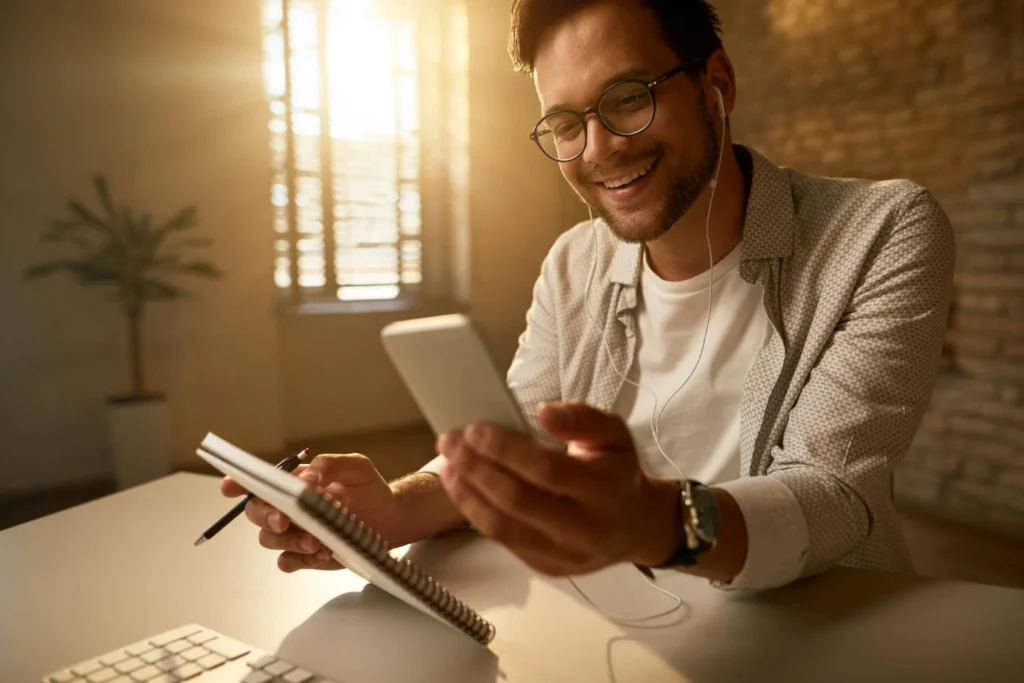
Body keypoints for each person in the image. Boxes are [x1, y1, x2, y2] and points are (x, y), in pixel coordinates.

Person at [222, 0, 954, 590]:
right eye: (567, 124)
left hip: (821, 629)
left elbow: (832, 496)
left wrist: (658, 521)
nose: (599, 148)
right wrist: (393, 507)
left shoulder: (880, 231)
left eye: (628, 98)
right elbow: (519, 446)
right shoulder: (575, 262)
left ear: (717, 84)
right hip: (616, 623)